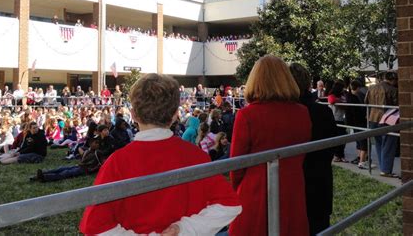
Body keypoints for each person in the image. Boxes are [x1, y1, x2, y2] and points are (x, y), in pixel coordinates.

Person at [80, 73, 241, 235]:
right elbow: (230, 204)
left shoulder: (117, 162)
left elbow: (94, 225)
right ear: (174, 115)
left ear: (133, 114)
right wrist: (185, 229)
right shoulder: (196, 156)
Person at [229, 55, 311, 236]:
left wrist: (239, 190)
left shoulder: (247, 115)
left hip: (256, 191)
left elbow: (236, 166)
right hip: (293, 188)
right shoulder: (302, 113)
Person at [289, 63, 337, 235]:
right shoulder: (323, 112)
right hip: (320, 181)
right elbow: (334, 146)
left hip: (293, 186)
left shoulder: (286, 114)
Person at [365, 71, 399, 177]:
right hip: (387, 119)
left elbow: (366, 102)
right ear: (393, 80)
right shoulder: (393, 90)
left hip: (372, 118)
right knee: (389, 144)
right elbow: (397, 105)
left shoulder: (371, 88)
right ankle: (386, 170)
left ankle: (383, 167)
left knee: (379, 144)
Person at [33, 137, 103, 182]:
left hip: (85, 170)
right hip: (79, 166)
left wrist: (91, 170)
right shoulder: (89, 150)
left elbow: (100, 164)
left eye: (97, 143)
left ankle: (45, 177)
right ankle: (41, 174)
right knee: (61, 169)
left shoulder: (98, 153)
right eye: (93, 142)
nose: (95, 144)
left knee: (65, 173)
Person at [327, 80, 347, 162]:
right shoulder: (331, 95)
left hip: (341, 119)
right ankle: (336, 155)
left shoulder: (343, 95)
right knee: (336, 137)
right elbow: (331, 101)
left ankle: (341, 155)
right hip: (334, 119)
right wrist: (341, 102)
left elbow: (346, 104)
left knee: (343, 138)